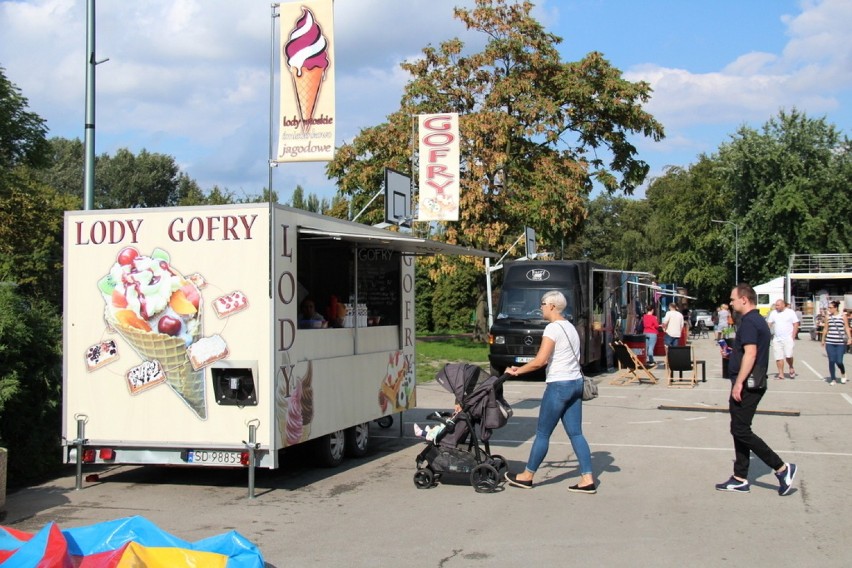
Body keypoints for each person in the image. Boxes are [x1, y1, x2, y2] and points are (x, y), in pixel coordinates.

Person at [503, 290, 596, 494]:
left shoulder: (552, 329)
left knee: (543, 433)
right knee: (576, 433)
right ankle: (587, 478)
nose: (541, 307)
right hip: (575, 383)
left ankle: (527, 476)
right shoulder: (571, 327)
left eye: (543, 303)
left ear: (552, 306)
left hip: (559, 386)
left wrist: (517, 370)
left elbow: (540, 361)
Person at [715, 283, 797, 495]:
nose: (731, 303)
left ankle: (782, 468)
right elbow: (748, 351)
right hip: (750, 381)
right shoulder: (755, 320)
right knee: (738, 428)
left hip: (749, 384)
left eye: (733, 299)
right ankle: (740, 477)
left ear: (744, 299)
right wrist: (732, 352)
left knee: (740, 429)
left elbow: (751, 354)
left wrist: (740, 382)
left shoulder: (751, 321)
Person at [765, 299, 800, 379]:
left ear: (783, 305)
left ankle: (791, 366)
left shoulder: (790, 312)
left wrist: (793, 335)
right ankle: (781, 374)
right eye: (776, 305)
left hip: (788, 338)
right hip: (777, 339)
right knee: (778, 357)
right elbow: (769, 324)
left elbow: (796, 323)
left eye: (778, 305)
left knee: (788, 355)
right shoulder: (773, 313)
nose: (776, 307)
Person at [821, 301, 851, 385]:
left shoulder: (843, 316)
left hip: (840, 343)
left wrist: (850, 338)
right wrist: (823, 339)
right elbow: (826, 329)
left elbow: (847, 328)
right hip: (830, 342)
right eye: (828, 307)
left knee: (839, 361)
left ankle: (843, 373)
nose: (829, 309)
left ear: (835, 308)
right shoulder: (828, 317)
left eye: (830, 307)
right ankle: (833, 378)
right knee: (831, 360)